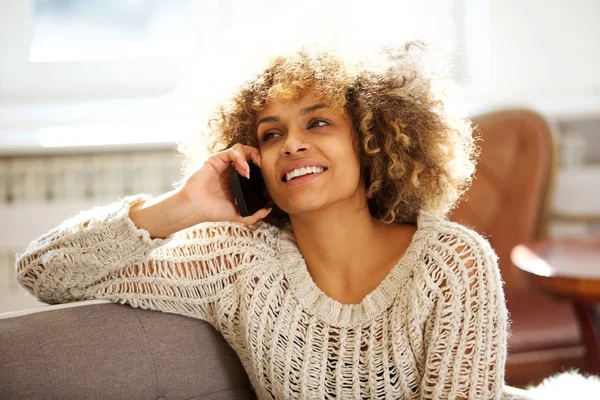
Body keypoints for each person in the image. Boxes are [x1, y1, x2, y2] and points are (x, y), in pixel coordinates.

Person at [15, 42, 527, 399]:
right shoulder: (238, 260)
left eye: (318, 122)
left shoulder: (451, 262)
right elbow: (42, 272)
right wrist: (182, 206)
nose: (293, 144)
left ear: (374, 141)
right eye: (270, 134)